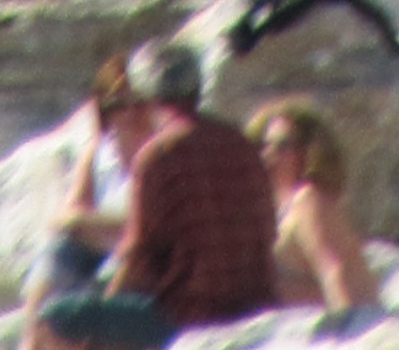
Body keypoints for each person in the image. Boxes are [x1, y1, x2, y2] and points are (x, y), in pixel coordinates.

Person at [31, 39, 275, 350]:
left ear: (147, 95)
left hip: (187, 313)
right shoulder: (240, 143)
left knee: (57, 317)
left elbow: (138, 257)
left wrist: (98, 331)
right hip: (254, 300)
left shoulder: (159, 155)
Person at [27, 54, 159, 334]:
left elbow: (152, 227)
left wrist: (92, 224)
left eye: (139, 103)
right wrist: (104, 226)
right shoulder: (99, 155)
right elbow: (66, 218)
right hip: (105, 252)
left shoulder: (163, 154)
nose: (131, 113)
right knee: (58, 252)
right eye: (119, 105)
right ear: (106, 112)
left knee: (131, 258)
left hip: (147, 264)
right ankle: (32, 338)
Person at [256, 107, 379, 319]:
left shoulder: (309, 201)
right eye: (267, 144)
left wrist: (345, 327)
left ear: (310, 153)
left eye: (284, 146)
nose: (270, 155)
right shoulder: (278, 207)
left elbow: (334, 268)